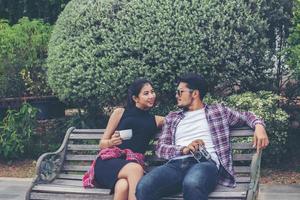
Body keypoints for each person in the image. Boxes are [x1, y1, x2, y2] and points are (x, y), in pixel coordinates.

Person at [136, 73, 269, 200]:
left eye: (180, 92)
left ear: (195, 93)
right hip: (176, 164)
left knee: (192, 183)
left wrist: (259, 126)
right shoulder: (173, 117)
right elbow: (161, 148)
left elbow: (247, 116)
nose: (177, 95)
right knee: (143, 187)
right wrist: (184, 149)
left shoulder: (218, 111)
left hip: (205, 164)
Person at [82, 78, 164, 200]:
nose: (151, 96)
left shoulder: (156, 120)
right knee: (135, 168)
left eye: (152, 92)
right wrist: (111, 142)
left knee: (122, 186)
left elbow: (178, 120)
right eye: (146, 93)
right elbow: (102, 144)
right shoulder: (120, 113)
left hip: (130, 167)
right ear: (135, 98)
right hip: (109, 162)